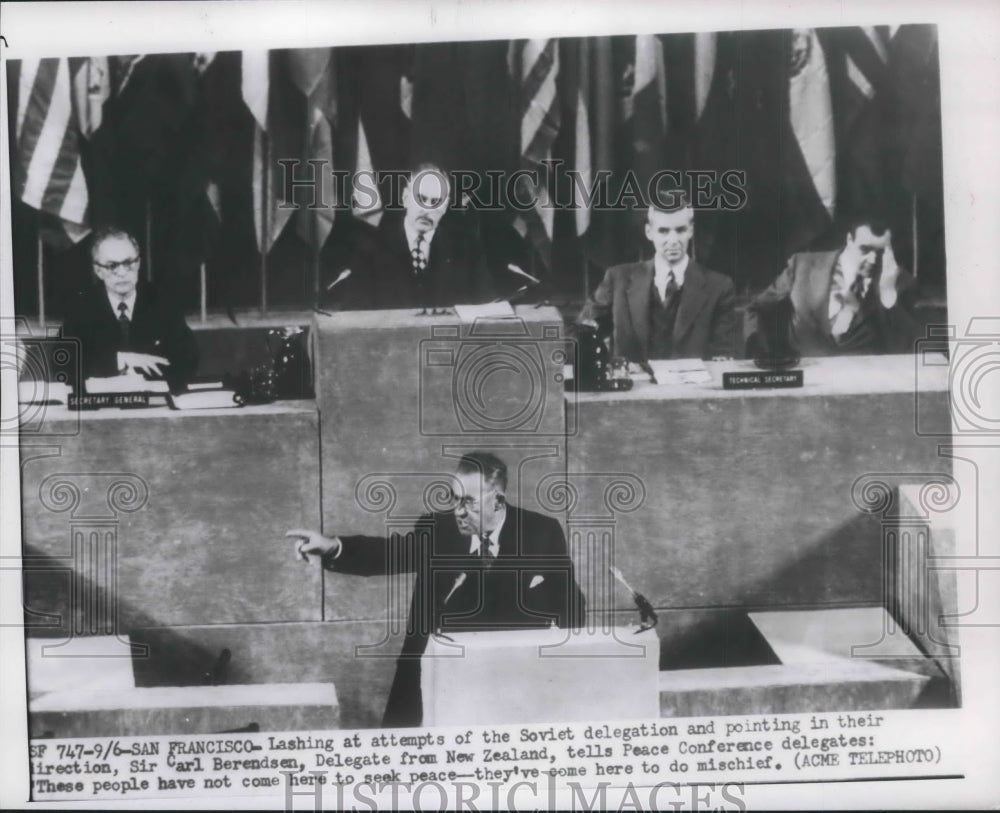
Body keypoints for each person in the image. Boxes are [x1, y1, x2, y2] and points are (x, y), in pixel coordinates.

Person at [287, 451, 586, 728]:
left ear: (497, 500)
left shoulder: (540, 532)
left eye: (468, 501)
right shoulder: (437, 529)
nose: (457, 511)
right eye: (454, 499)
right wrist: (333, 547)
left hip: (502, 683)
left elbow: (571, 606)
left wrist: (554, 669)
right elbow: (390, 553)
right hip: (430, 676)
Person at [578, 193, 737, 362]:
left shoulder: (719, 287)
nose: (673, 240)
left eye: (680, 230)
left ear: (691, 230)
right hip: (634, 386)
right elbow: (581, 332)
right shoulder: (618, 279)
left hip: (691, 386)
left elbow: (722, 355)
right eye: (663, 231)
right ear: (649, 232)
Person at [746, 215, 920, 357]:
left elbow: (902, 349)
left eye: (881, 252)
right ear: (849, 239)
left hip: (863, 382)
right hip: (805, 377)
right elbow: (756, 308)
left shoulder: (900, 281)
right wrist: (760, 353)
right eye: (865, 249)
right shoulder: (803, 266)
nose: (872, 260)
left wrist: (887, 293)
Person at [342, 163, 495, 310]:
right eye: (421, 198)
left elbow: (486, 311)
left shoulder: (466, 250)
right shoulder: (370, 249)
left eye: (436, 202)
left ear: (446, 206)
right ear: (405, 197)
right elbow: (355, 315)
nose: (427, 209)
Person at [61, 227, 198, 390]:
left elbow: (188, 359)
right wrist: (120, 360)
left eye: (128, 263)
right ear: (98, 271)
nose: (122, 272)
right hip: (102, 405)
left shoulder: (162, 300)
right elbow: (62, 364)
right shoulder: (82, 306)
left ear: (138, 263)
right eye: (112, 266)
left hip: (153, 402)